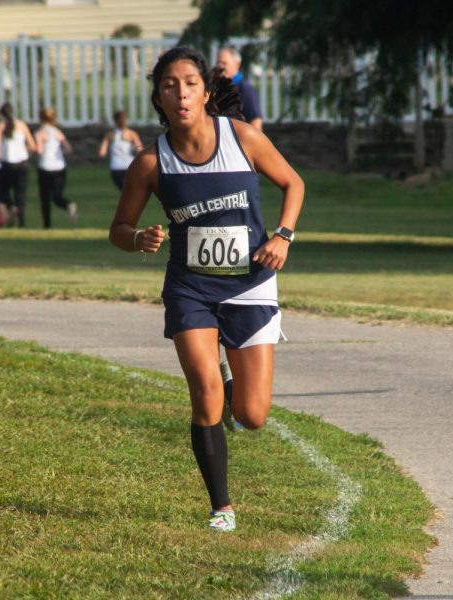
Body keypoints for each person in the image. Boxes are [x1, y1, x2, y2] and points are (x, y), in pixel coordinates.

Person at [108, 47, 304, 532]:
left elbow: (293, 183)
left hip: (250, 284)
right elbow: (119, 227)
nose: (181, 93)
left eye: (190, 83)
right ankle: (222, 508)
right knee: (204, 394)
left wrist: (282, 236)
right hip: (189, 288)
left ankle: (235, 390)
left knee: (253, 415)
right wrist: (138, 239)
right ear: (158, 96)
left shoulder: (242, 137)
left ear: (206, 90)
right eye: (170, 85)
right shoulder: (151, 162)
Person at [0, 102, 37, 227]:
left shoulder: (0, 127)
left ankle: (11, 206)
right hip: (22, 163)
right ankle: (21, 221)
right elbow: (33, 146)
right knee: (21, 193)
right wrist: (23, 150)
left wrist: (0, 156)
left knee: (3, 191)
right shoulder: (22, 125)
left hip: (7, 163)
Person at [34, 108, 78, 228]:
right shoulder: (57, 132)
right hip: (59, 168)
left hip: (45, 167)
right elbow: (68, 149)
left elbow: (39, 150)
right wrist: (58, 152)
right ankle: (68, 205)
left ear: (40, 119)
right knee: (57, 196)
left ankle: (47, 225)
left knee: (45, 198)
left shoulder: (39, 133)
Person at [217, 45, 263, 131]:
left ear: (237, 65)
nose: (220, 67)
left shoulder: (245, 89)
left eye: (224, 63)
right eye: (218, 62)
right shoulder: (218, 88)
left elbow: (255, 121)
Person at [99, 110, 143, 190]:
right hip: (130, 167)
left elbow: (102, 153)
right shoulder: (132, 134)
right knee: (131, 192)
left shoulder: (110, 135)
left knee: (125, 192)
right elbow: (140, 150)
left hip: (116, 168)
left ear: (115, 121)